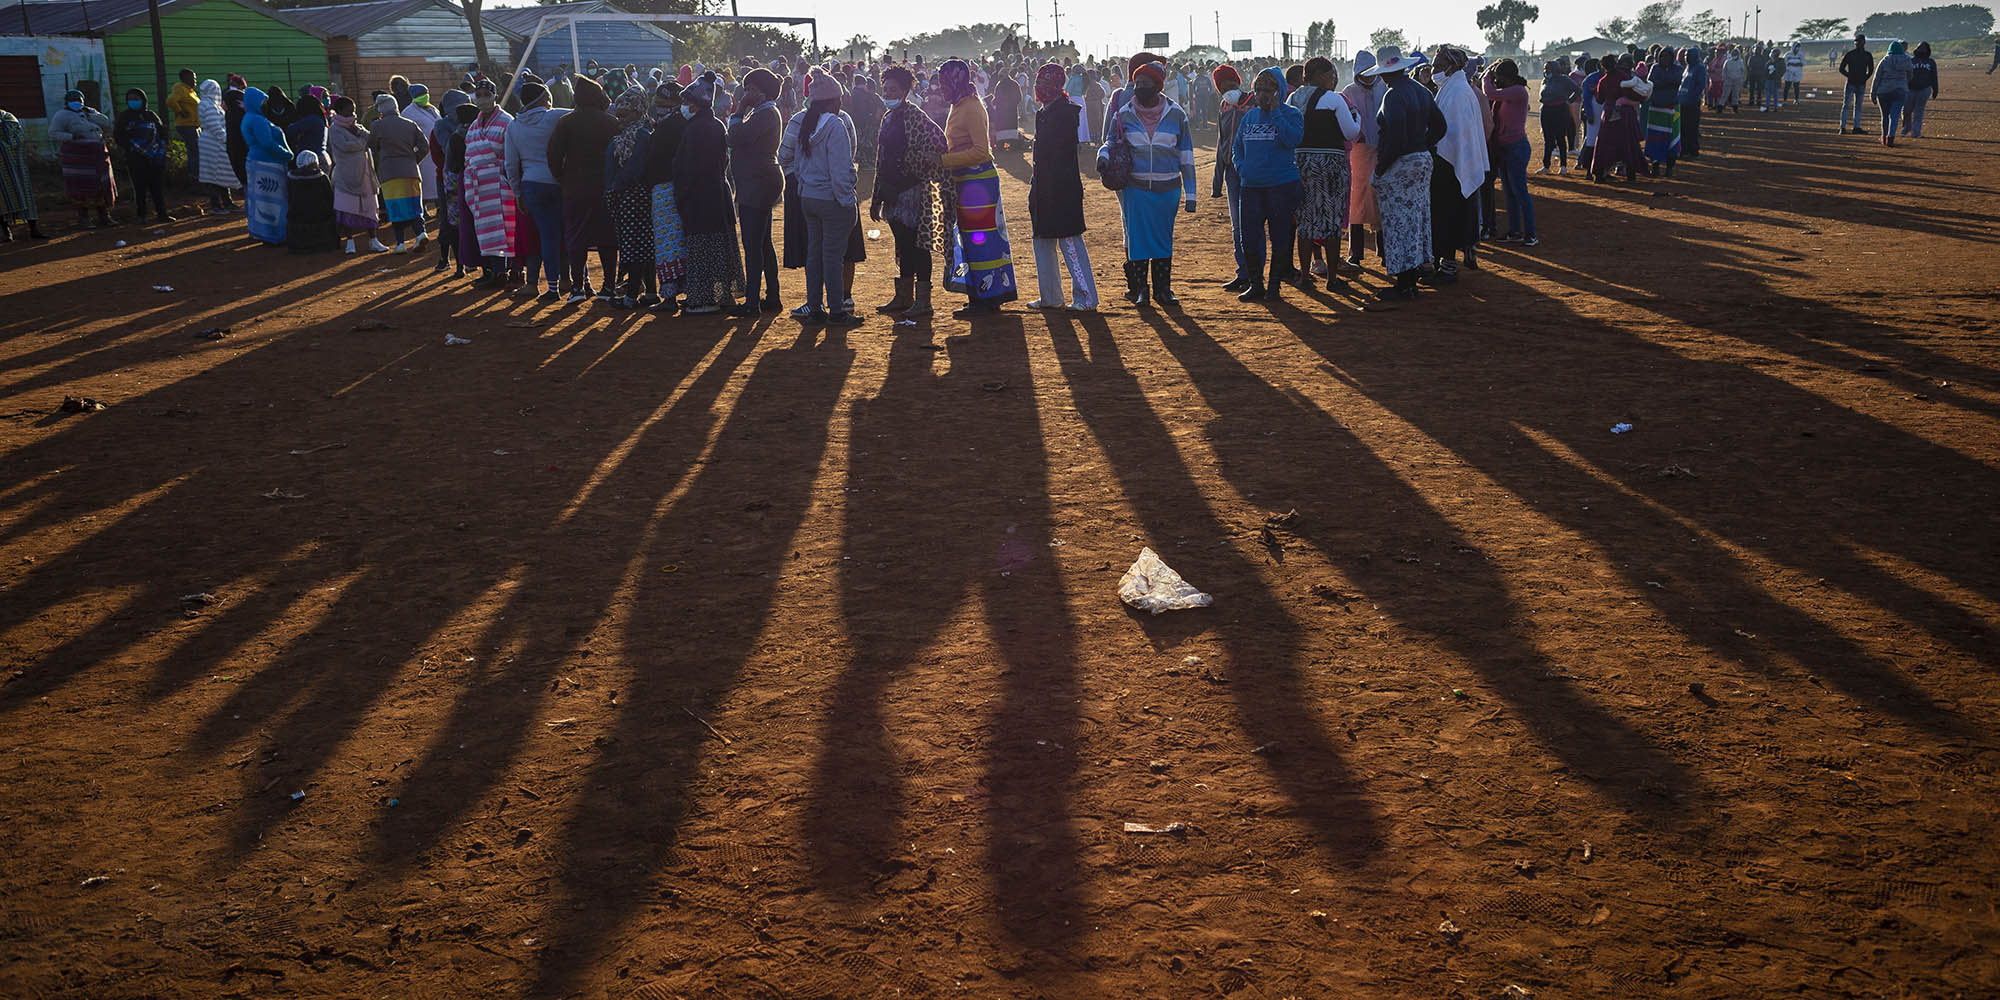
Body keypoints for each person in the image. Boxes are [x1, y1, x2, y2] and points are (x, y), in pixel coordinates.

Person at [1099, 60, 1192, 308]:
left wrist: (1191, 194)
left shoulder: (1176, 114)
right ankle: (1141, 290)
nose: (1140, 87)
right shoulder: (1124, 113)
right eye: (1137, 83)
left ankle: (1163, 290)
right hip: (1135, 187)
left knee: (1163, 239)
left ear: (1158, 86)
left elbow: (1186, 155)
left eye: (1146, 83)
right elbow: (1110, 140)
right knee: (1138, 240)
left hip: (1168, 188)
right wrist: (1102, 156)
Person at [937, 58, 1019, 316]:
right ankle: (980, 296)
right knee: (971, 240)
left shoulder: (970, 107)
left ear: (956, 81)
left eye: (944, 83)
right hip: (966, 183)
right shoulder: (959, 104)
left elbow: (981, 151)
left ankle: (988, 298)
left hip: (978, 184)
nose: (941, 89)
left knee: (981, 240)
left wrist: (943, 160)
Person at [787, 69, 862, 326]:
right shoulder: (835, 125)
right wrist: (847, 201)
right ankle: (837, 311)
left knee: (815, 255)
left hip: (809, 198)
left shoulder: (806, 123)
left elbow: (796, 165)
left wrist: (805, 189)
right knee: (832, 258)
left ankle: (815, 307)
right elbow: (840, 170)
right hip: (832, 200)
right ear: (833, 101)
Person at [1369, 49, 1444, 300]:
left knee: (1397, 222)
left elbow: (1396, 137)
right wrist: (1422, 145)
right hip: (1421, 160)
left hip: (1400, 163)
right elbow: (1440, 126)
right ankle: (1412, 279)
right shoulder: (1421, 91)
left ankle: (1404, 284)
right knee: (1416, 220)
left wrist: (1381, 168)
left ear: (1384, 73)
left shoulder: (1392, 95)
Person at [869, 64, 942, 317]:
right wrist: (876, 197)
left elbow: (938, 145)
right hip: (891, 192)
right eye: (885, 89)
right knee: (903, 244)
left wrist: (915, 167)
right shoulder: (888, 118)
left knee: (918, 245)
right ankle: (904, 297)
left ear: (905, 90)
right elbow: (881, 158)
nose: (888, 94)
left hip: (913, 191)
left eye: (893, 89)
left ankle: (923, 302)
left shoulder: (916, 117)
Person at [1229, 66, 1304, 302]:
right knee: (1249, 237)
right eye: (1258, 90)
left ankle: (1274, 287)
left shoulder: (1291, 114)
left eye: (1268, 90)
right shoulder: (1250, 117)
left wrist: (1276, 113)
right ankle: (1256, 284)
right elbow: (1237, 147)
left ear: (1278, 91)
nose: (1262, 95)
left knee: (1279, 236)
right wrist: (1242, 168)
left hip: (1281, 185)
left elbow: (1293, 139)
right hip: (1251, 186)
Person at [674, 72, 746, 315]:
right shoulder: (715, 124)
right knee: (718, 246)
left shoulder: (695, 129)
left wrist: (682, 194)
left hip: (700, 196)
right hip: (716, 193)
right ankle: (721, 295)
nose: (684, 106)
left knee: (702, 246)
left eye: (687, 102)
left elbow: (689, 167)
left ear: (697, 104)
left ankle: (705, 299)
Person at [1026, 62, 1096, 311]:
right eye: (1038, 82)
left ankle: (1086, 297)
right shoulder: (1044, 112)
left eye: (1044, 83)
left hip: (1062, 188)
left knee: (1070, 243)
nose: (1039, 87)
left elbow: (1061, 157)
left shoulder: (1066, 113)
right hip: (1042, 187)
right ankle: (1051, 296)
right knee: (1042, 242)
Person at [547, 76, 618, 301]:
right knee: (607, 238)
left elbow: (553, 156)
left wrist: (562, 178)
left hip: (575, 188)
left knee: (576, 237)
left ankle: (577, 288)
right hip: (605, 188)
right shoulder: (612, 122)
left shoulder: (566, 122)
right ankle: (609, 287)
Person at [1292, 56, 1361, 289]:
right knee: (1331, 221)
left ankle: (1305, 276)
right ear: (1320, 76)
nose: (1333, 79)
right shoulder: (1334, 99)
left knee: (1305, 222)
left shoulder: (1293, 98)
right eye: (1331, 74)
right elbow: (1350, 133)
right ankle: (1332, 279)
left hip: (1301, 163)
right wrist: (1357, 117)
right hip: (1330, 164)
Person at [728, 67, 784, 316]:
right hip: (759, 181)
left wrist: (740, 109)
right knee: (762, 243)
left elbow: (734, 137)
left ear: (762, 91)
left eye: (750, 89)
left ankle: (752, 302)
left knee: (753, 244)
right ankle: (771, 296)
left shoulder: (765, 114)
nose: (746, 94)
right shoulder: (764, 112)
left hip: (757, 183)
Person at [505, 81, 567, 301]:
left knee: (546, 237)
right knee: (567, 234)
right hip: (558, 182)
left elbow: (510, 164)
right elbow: (584, 112)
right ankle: (578, 282)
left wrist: (518, 193)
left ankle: (551, 288)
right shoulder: (554, 116)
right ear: (543, 98)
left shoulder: (513, 126)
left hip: (531, 185)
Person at [1430, 47, 1486, 279]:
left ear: (1451, 67)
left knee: (1449, 216)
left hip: (1451, 165)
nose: (1433, 71)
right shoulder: (1452, 89)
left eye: (1438, 66)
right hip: (1449, 161)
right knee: (1445, 216)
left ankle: (1448, 266)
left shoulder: (1458, 93)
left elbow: (1454, 134)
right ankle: (1441, 263)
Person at [605, 87, 658, 309]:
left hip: (633, 198)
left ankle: (631, 297)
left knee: (635, 248)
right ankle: (651, 292)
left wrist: (615, 187)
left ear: (637, 111)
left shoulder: (641, 136)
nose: (621, 119)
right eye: (619, 114)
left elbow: (634, 169)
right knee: (644, 247)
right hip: (634, 197)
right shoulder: (636, 133)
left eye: (625, 114)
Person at [463, 80, 517, 286]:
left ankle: (512, 271)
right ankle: (496, 271)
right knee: (487, 231)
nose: (482, 99)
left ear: (495, 96)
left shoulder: (507, 121)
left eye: (486, 94)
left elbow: (512, 154)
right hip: (480, 187)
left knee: (507, 229)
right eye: (479, 95)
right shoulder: (473, 127)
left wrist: (505, 175)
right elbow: (468, 155)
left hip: (501, 185)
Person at [1482, 61, 1536, 246]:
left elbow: (1489, 93)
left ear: (1507, 77)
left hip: (1516, 147)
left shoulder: (1518, 91)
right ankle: (1515, 231)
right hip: (1505, 147)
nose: (1497, 80)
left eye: (1498, 77)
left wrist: (1486, 77)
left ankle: (1530, 234)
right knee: (1510, 193)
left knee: (1520, 192)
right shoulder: (1509, 92)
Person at [367, 94, 428, 253]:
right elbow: (424, 146)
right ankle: (420, 233)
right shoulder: (410, 124)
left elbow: (371, 144)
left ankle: (400, 243)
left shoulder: (377, 126)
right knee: (414, 206)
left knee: (395, 209)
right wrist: (413, 160)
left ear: (381, 109)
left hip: (389, 173)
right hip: (411, 171)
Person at [644, 81, 686, 313]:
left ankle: (670, 297)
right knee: (681, 242)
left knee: (668, 245)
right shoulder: (680, 123)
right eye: (657, 102)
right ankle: (685, 292)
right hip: (679, 189)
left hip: (665, 190)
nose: (659, 106)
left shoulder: (668, 126)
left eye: (663, 103)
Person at [325, 97, 387, 254]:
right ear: (339, 111)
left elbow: (371, 138)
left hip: (365, 174)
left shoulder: (357, 126)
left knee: (370, 208)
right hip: (346, 176)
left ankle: (374, 240)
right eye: (348, 110)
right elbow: (345, 146)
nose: (352, 113)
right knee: (347, 208)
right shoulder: (334, 129)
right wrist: (362, 142)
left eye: (353, 110)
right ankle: (350, 242)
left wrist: (359, 133)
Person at [1341, 50, 1384, 269]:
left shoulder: (1384, 89)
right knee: (1356, 201)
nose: (1368, 76)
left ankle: (1384, 251)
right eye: (1363, 72)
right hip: (1358, 153)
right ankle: (1355, 253)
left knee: (1379, 199)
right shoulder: (1348, 92)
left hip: (1381, 151)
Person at [49, 91, 116, 228]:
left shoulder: (90, 112)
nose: (76, 102)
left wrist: (90, 114)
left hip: (97, 154)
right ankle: (83, 218)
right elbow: (53, 133)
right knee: (80, 186)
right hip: (77, 157)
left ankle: (104, 216)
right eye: (73, 99)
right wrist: (71, 136)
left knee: (101, 184)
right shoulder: (61, 115)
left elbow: (106, 123)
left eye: (79, 99)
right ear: (67, 102)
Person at [1211, 64, 1251, 292]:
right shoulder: (1224, 106)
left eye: (1230, 84)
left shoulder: (1255, 103)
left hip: (1252, 170)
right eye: (1223, 88)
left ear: (1238, 82)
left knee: (1251, 224)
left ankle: (1255, 273)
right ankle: (1243, 272)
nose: (1228, 90)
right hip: (1231, 172)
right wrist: (1217, 181)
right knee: (1237, 225)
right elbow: (1221, 142)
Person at [113, 89, 173, 224]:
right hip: (135, 157)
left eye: (136, 99)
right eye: (130, 99)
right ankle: (141, 215)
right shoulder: (124, 117)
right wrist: (130, 147)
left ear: (143, 100)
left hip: (155, 157)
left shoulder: (151, 115)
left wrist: (162, 149)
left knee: (157, 188)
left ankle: (162, 214)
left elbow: (162, 133)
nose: (133, 101)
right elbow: (119, 136)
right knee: (139, 188)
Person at [193, 80, 240, 214]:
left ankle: (227, 202)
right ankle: (216, 205)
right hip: (214, 143)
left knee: (220, 174)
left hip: (213, 142)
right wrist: (226, 140)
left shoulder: (209, 104)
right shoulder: (209, 106)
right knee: (214, 175)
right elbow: (215, 127)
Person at [0, 108, 45, 240]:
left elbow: (19, 138)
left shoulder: (7, 117)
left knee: (25, 196)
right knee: (2, 199)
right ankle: (6, 231)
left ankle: (34, 229)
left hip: (16, 164)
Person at [285, 149, 337, 253]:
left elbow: (289, 198)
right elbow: (330, 198)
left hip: (297, 218)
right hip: (320, 218)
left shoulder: (292, 178)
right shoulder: (322, 177)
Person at [1644, 49, 1682, 177]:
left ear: (1672, 58)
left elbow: (1677, 81)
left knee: (1672, 139)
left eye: (1668, 56)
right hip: (1656, 109)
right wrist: (1669, 83)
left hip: (1672, 108)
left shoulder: (1678, 69)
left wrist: (1662, 83)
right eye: (1662, 56)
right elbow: (1651, 82)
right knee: (1655, 139)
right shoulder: (1655, 68)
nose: (1665, 59)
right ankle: (1655, 167)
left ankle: (1669, 168)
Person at [1873, 41, 1913, 147]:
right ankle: (1890, 137)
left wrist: (1873, 93)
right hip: (1900, 91)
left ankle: (1884, 136)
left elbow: (1877, 78)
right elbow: (1910, 75)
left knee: (1885, 116)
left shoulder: (1884, 60)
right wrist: (1904, 83)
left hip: (1883, 92)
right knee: (1894, 116)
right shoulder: (1907, 60)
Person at [166, 68, 200, 186]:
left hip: (193, 125)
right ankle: (194, 179)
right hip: (186, 125)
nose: (195, 80)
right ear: (185, 78)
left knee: (194, 152)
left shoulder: (191, 91)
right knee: (195, 153)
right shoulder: (180, 88)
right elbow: (170, 101)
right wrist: (180, 111)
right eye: (193, 78)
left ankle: (194, 178)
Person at [1839, 34, 1875, 134]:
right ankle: (1846, 127)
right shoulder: (1860, 55)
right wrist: (1860, 77)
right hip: (1855, 83)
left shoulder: (1855, 54)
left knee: (1851, 106)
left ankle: (1850, 127)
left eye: (1859, 41)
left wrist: (1852, 76)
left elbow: (1871, 70)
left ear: (1863, 42)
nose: (1858, 43)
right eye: (1857, 41)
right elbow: (1841, 68)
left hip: (1856, 83)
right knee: (1852, 106)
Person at [1904, 43, 1938, 138]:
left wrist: (1935, 89)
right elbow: (1905, 75)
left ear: (1927, 50)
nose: (1921, 50)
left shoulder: (1931, 62)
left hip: (1924, 89)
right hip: (1910, 89)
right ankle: (1906, 129)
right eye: (1919, 48)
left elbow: (1934, 76)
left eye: (1924, 48)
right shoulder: (1911, 61)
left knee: (1919, 112)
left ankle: (1916, 132)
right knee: (1906, 111)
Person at [1678, 47, 1707, 158]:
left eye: (1688, 56)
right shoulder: (1687, 68)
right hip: (1683, 102)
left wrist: (1692, 97)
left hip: (1692, 103)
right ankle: (1684, 150)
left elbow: (1701, 85)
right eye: (1685, 56)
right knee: (1683, 128)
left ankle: (1693, 151)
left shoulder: (1699, 68)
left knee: (1691, 128)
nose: (1686, 58)